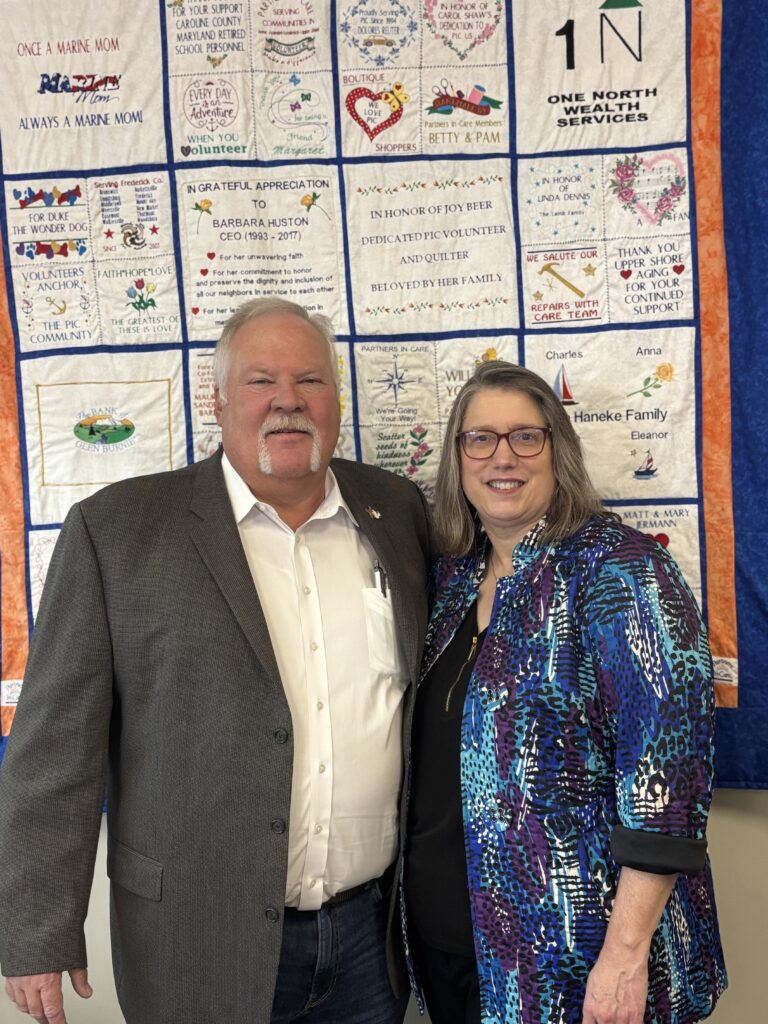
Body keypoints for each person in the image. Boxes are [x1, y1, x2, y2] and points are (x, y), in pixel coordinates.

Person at [0, 297, 432, 1024]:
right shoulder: (117, 532)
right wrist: (39, 930)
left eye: (311, 381)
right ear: (220, 400)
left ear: (337, 397)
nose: (288, 401)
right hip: (195, 939)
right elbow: (52, 756)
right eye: (261, 380)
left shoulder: (397, 512)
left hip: (369, 937)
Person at [403, 361, 727, 1024]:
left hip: (574, 969)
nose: (503, 457)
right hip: (456, 958)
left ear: (559, 451)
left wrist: (625, 956)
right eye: (480, 439)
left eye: (527, 437)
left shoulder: (621, 569)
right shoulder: (454, 582)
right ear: (457, 458)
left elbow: (668, 782)